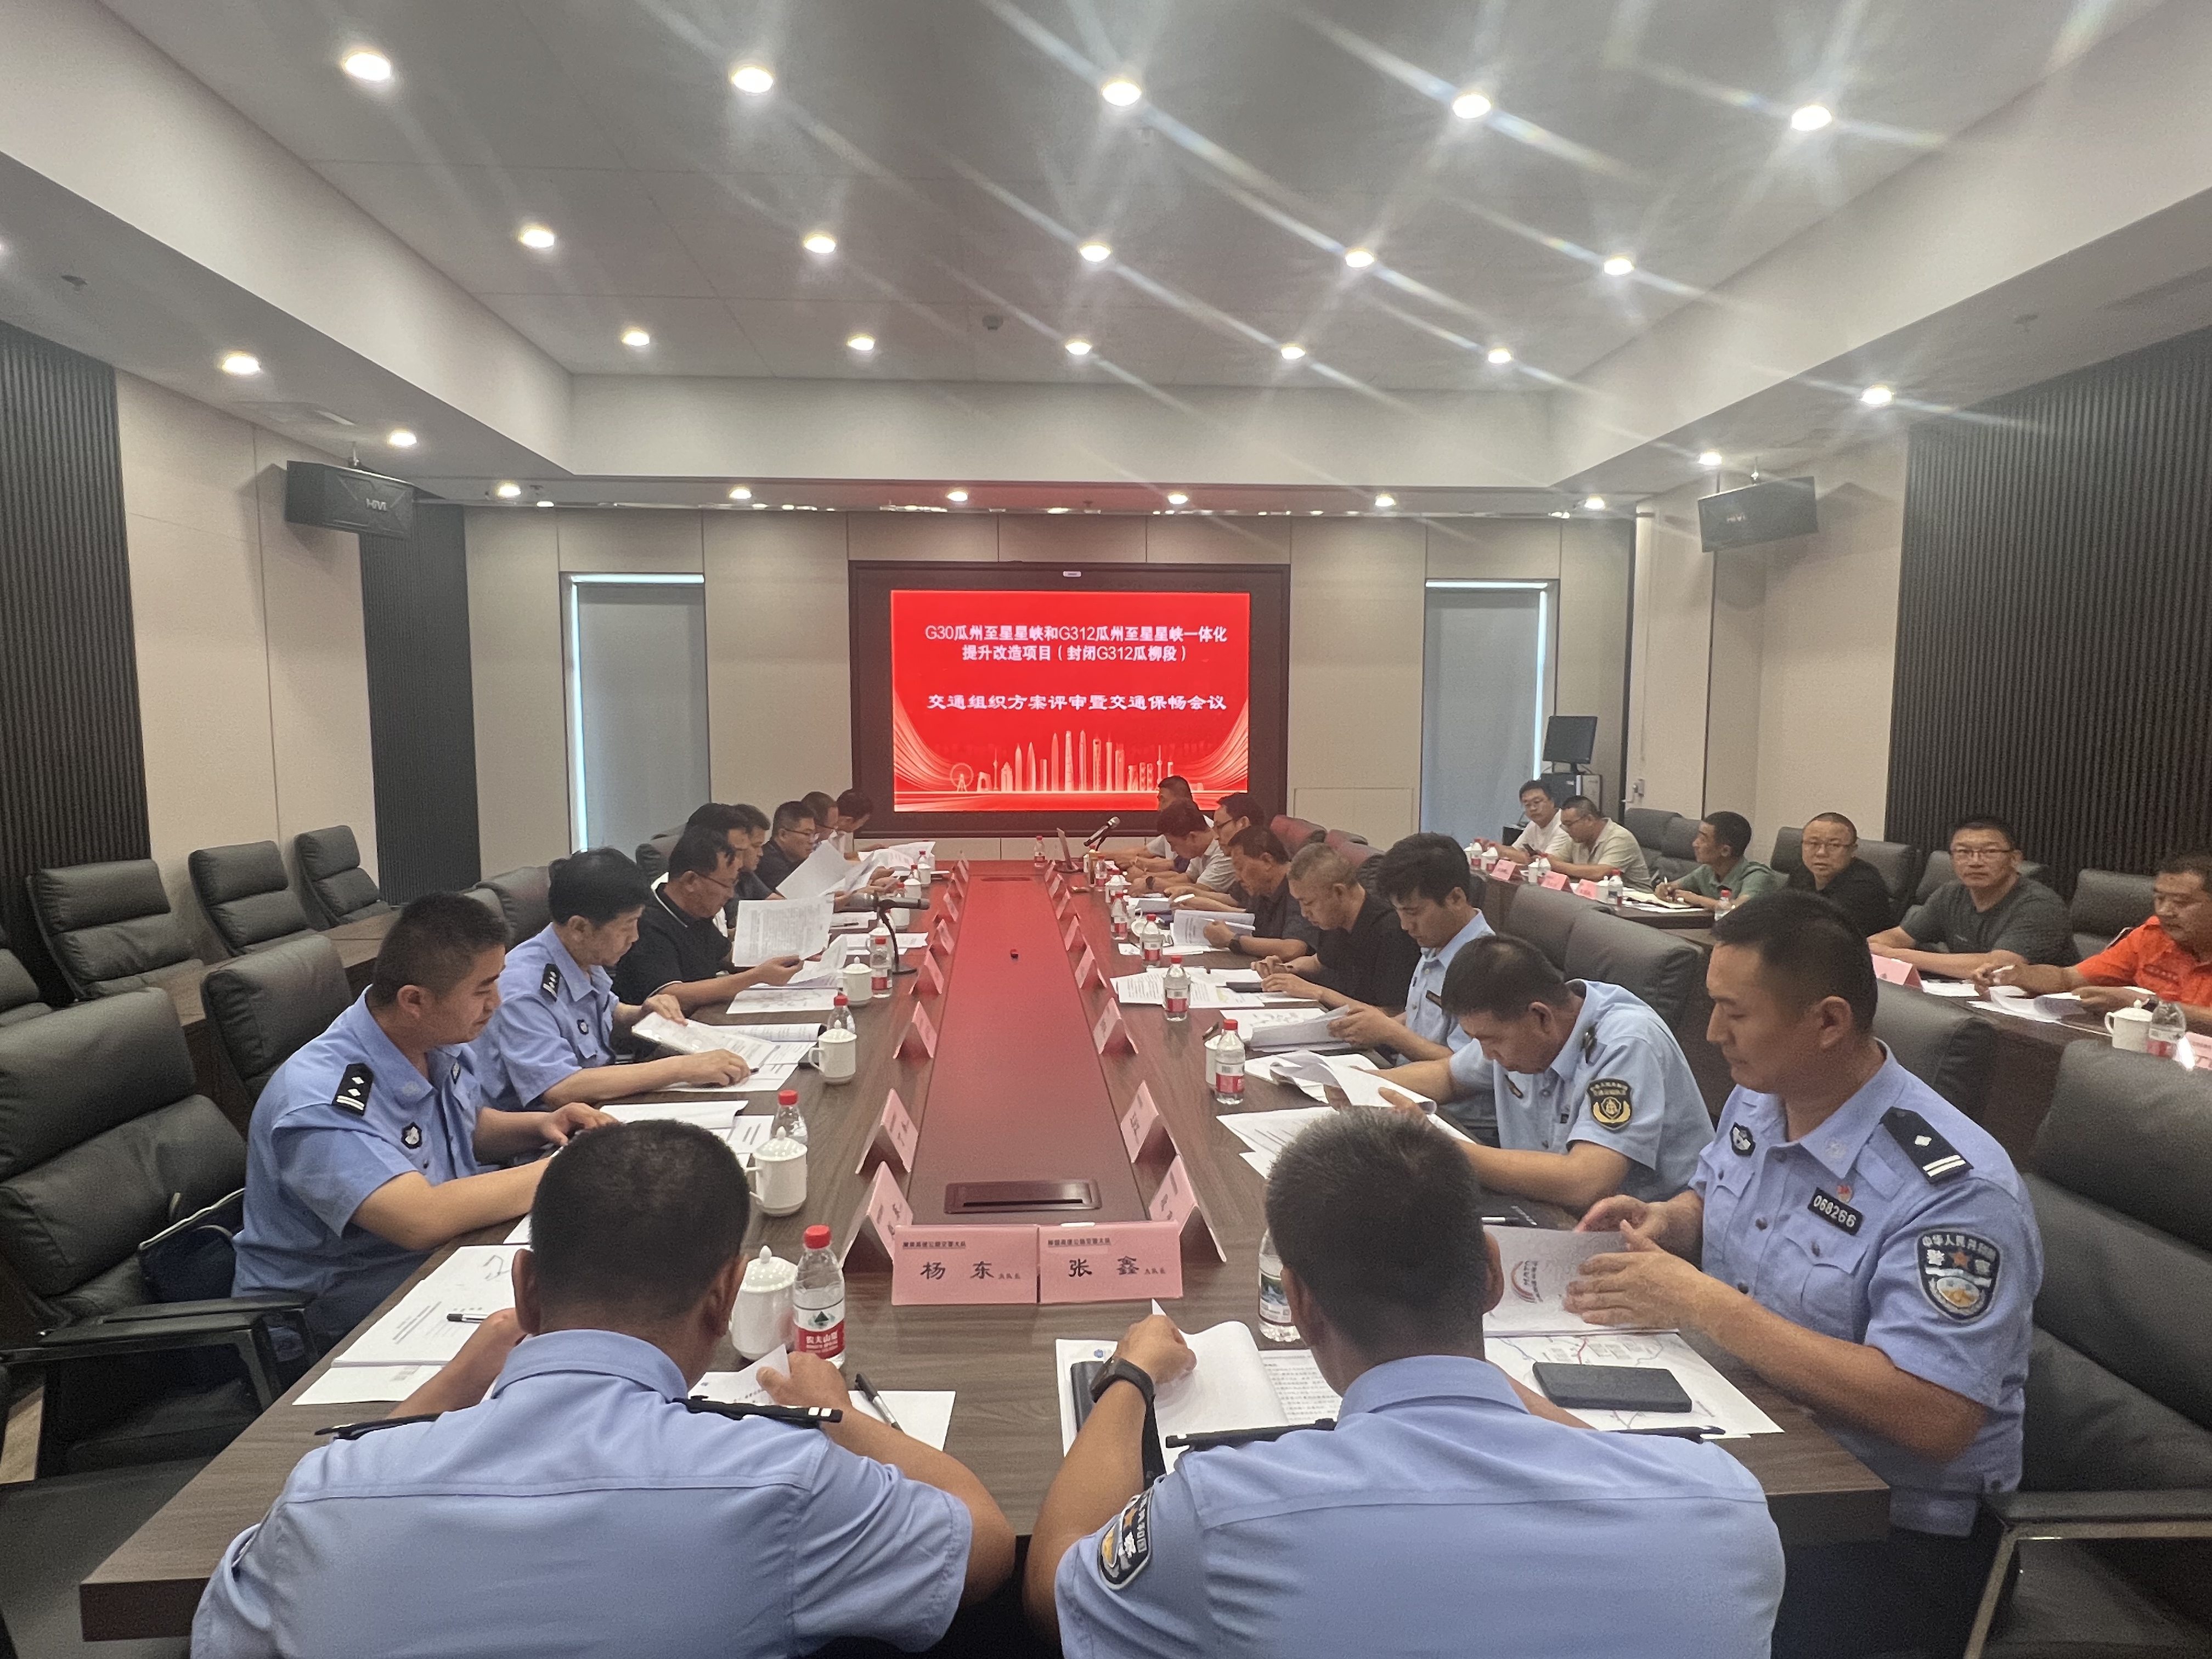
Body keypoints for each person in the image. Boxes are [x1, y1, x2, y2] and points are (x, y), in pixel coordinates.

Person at [198, 1121, 1017, 1657]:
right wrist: (833, 1411)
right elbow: (982, 1549)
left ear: (524, 1290)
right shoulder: (782, 1480)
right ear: (725, 1298)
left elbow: (226, 1634)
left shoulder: (324, 1497)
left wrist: (448, 1386)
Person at [1028, 1110, 1784, 1658]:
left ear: (1300, 1303)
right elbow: (1627, 1471)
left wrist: (1130, 1377)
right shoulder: (1726, 1506)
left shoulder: (1220, 1516)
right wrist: (1476, 1384)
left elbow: (1057, 1588)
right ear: (1491, 1274)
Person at [1565, 890, 2040, 1659]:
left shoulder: (1954, 1194)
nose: (1712, 1032)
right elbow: (1712, 1194)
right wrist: (1669, 1221)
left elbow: (1935, 1416)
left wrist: (1705, 1305)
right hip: (1756, 1447)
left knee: (1618, 1605)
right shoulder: (1762, 1098)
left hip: (1890, 1535)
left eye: (1734, 1013)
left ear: (1828, 1022)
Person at [229, 894, 618, 1345]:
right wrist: (575, 1168)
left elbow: (458, 1130)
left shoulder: (433, 1039)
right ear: (414, 1000)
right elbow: (420, 1219)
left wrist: (538, 1125)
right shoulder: (321, 1100)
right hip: (339, 1315)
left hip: (439, 1267)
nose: (497, 1002)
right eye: (483, 990)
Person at [1376, 935, 1713, 1210]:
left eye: (1491, 1041)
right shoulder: (1518, 1028)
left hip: (1645, 1235)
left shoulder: (1626, 1043)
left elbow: (1586, 1182)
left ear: (1541, 1017)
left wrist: (1444, 1148)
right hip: (1543, 1208)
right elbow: (1448, 1077)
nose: (1488, 1054)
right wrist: (1362, 1084)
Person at [475, 849, 751, 1111]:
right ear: (580, 927)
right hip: (547, 1130)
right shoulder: (524, 988)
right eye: (627, 926)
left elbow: (604, 1011)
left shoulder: (582, 953)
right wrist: (682, 1068)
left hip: (600, 1102)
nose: (635, 937)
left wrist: (641, 1013)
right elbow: (560, 1088)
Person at [1296, 834, 1492, 1061]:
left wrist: (1389, 1032)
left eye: (1413, 912)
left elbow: (1461, 1068)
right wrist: (1373, 1027)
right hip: (1403, 1069)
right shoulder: (1437, 942)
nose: (1405, 925)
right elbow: (1420, 1017)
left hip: (1425, 1082)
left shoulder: (1484, 967)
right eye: (1399, 911)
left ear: (1455, 899)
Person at [1980, 849, 2212, 1019]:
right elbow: (2067, 979)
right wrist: (2017, 974)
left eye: (2181, 902)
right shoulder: (2152, 936)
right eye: (2159, 898)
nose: (2164, 911)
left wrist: (2145, 1004)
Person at [612, 825, 806, 1011]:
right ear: (691, 881)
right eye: (726, 884)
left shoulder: (695, 912)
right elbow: (670, 994)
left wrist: (791, 955)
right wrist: (756, 976)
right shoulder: (647, 923)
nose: (730, 894)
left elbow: (728, 956)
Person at [1869, 815, 2071, 976]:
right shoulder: (1950, 894)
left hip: (2037, 1006)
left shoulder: (2040, 905)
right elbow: (1900, 937)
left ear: (2015, 859)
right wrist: (1871, 947)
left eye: (1989, 852)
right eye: (1963, 852)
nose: (1975, 862)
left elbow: (1998, 966)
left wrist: (1894, 955)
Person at [1257, 843, 1421, 1012]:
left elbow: (1395, 1015)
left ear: (1339, 892)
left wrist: (1319, 993)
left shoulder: (1392, 933)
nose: (1304, 913)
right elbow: (1318, 962)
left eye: (1308, 903)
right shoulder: (1336, 920)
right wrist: (1286, 969)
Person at [1195, 826, 1321, 958]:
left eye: (1240, 868)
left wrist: (1231, 939)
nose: (1238, 878)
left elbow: (1293, 949)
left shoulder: (1298, 886)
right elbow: (1251, 920)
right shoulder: (1263, 889)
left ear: (1267, 861)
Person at [1786, 811, 1898, 937]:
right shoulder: (1802, 870)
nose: (1821, 853)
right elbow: (1782, 911)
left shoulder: (1865, 884)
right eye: (1813, 843)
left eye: (1834, 845)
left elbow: (1827, 933)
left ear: (1852, 850)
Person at [1655, 811, 1782, 911]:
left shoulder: (1757, 876)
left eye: (1703, 839)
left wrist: (1697, 899)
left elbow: (1738, 909)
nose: (1695, 844)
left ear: (1725, 851)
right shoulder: (1707, 871)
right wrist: (1665, 889)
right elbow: (1673, 887)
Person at [1550, 795, 1653, 888]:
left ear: (1590, 820)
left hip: (1636, 899)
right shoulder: (1577, 838)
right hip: (1595, 896)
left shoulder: (1620, 837)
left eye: (1569, 825)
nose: (1567, 830)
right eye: (1564, 825)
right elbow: (1552, 860)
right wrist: (1551, 863)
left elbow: (1600, 873)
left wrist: (1557, 865)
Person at [1135, 800, 1234, 895]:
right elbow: (1190, 878)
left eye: (1173, 844)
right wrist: (1151, 880)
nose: (1173, 850)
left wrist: (1153, 885)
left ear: (1192, 837)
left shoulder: (1224, 850)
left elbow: (1204, 889)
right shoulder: (1199, 850)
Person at [1477, 780, 1573, 867]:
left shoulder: (1565, 825)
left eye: (1537, 802)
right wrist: (1490, 846)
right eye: (1527, 805)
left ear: (1552, 802)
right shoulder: (1533, 825)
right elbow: (1515, 850)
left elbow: (1545, 863)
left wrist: (1503, 851)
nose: (1533, 808)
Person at [1128, 776, 1197, 872]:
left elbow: (1185, 876)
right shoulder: (1172, 829)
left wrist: (1146, 876)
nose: (1159, 809)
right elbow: (1144, 852)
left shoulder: (1199, 829)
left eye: (1163, 801)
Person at [757, 799, 820, 892]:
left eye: (814, 834)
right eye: (807, 834)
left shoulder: (797, 859)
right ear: (783, 835)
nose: (812, 841)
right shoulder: (767, 862)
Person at [831, 787, 874, 856]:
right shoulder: (825, 835)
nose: (861, 826)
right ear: (848, 820)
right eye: (862, 823)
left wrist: (868, 851)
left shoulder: (840, 831)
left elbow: (839, 857)